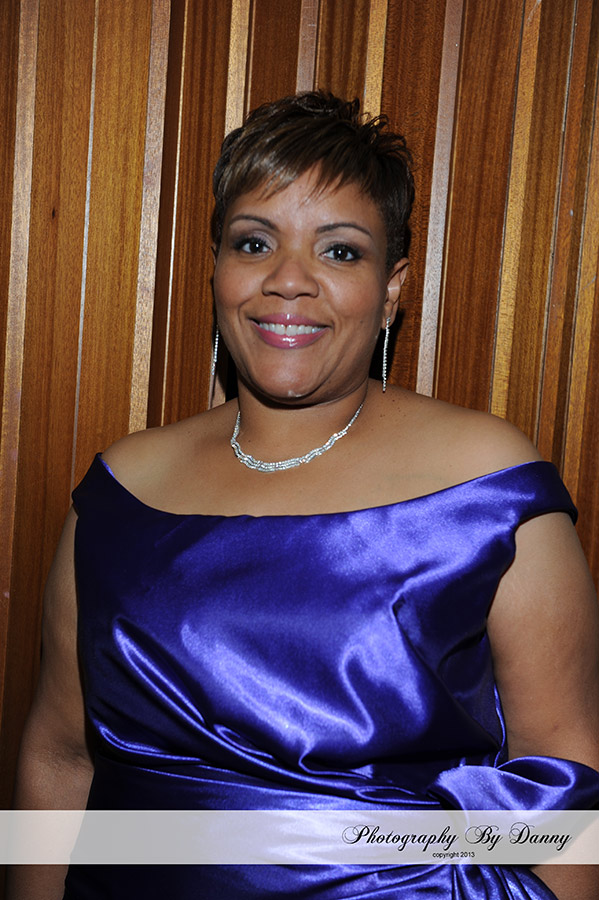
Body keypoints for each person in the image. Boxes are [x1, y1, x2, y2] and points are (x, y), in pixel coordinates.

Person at [10, 92, 599, 900]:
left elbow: (564, 775)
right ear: (216, 268)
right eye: (255, 243)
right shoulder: (117, 492)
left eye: (340, 251)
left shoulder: (487, 483)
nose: (288, 281)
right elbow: (59, 757)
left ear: (391, 290)